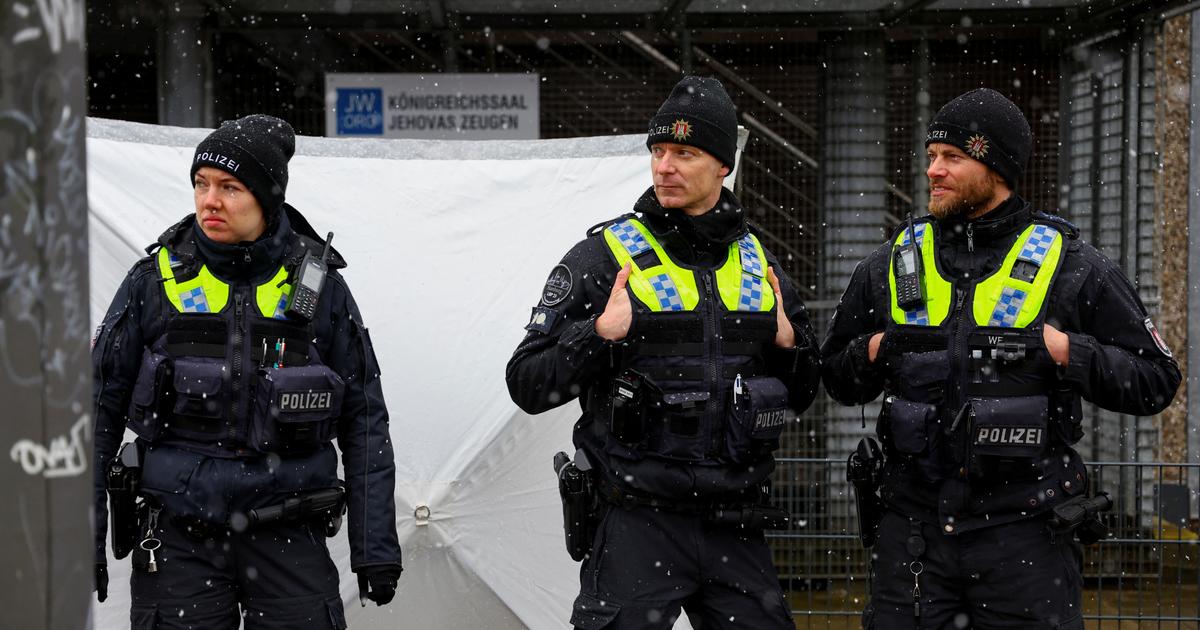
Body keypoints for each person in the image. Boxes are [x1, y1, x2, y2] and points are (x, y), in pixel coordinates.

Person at [822, 88, 1181, 629]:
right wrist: (875, 349)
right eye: (931, 156)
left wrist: (1068, 351)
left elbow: (1157, 379)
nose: (933, 171)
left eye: (953, 159)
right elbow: (835, 377)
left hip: (1028, 537)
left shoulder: (1070, 264)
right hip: (913, 538)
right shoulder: (895, 262)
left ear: (998, 168)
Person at [507, 76, 821, 629]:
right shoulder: (604, 257)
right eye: (658, 151)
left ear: (724, 165)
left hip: (734, 525)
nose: (665, 166)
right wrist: (598, 337)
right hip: (635, 524)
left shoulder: (757, 264)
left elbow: (803, 394)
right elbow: (527, 383)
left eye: (685, 152)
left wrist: (789, 346)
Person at [91, 114, 403, 629]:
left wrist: (375, 551)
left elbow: (365, 420)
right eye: (201, 184)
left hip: (290, 533)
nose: (209, 200)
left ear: (267, 196)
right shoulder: (154, 282)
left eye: (230, 187)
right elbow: (97, 412)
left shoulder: (318, 286)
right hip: (178, 540)